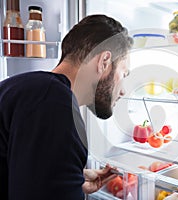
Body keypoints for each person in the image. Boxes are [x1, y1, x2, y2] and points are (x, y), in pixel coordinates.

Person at [0, 14, 132, 200]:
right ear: (104, 62)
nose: (123, 91)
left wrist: (72, 180)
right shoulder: (55, 105)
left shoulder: (24, 86)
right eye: (124, 73)